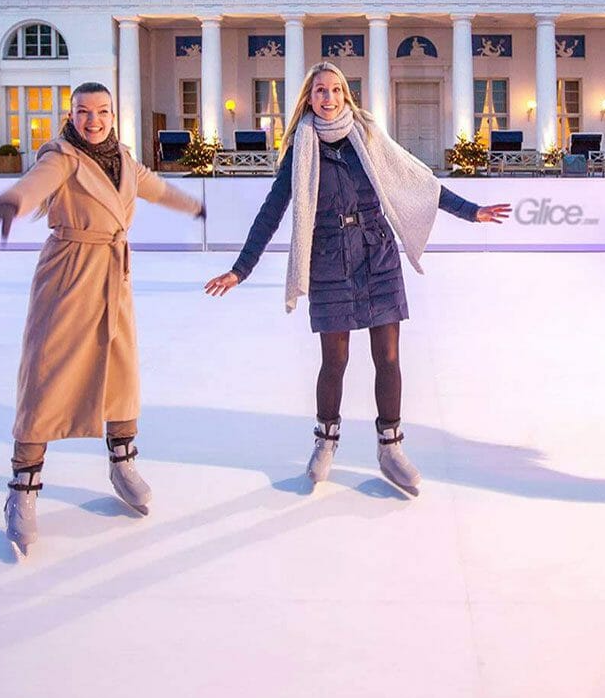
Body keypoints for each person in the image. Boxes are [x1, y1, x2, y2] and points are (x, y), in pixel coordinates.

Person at [205, 62, 509, 497]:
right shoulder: (300, 149)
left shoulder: (366, 137)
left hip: (377, 252)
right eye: (319, 91)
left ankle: (391, 447)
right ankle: (325, 443)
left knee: (388, 357)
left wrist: (471, 211)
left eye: (335, 90)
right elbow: (272, 211)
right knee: (335, 360)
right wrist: (241, 268)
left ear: (346, 96)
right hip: (328, 256)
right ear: (308, 99)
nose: (327, 98)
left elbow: (418, 182)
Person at [0, 82, 202, 558]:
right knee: (48, 375)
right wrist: (8, 203)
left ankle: (122, 461)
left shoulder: (122, 157)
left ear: (113, 115)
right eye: (84, 112)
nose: (93, 120)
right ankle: (23, 489)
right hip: (69, 274)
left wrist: (195, 204)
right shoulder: (61, 156)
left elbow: (155, 187)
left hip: (113, 276)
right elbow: (32, 185)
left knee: (121, 371)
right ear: (72, 114)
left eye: (102, 111)